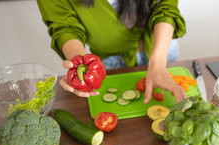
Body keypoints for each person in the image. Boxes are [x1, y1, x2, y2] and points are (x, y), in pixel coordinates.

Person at [37, 0, 187, 103]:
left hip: (162, 48)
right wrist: (83, 64)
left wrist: (159, 63)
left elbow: (165, 5)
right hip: (110, 62)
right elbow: (65, 27)